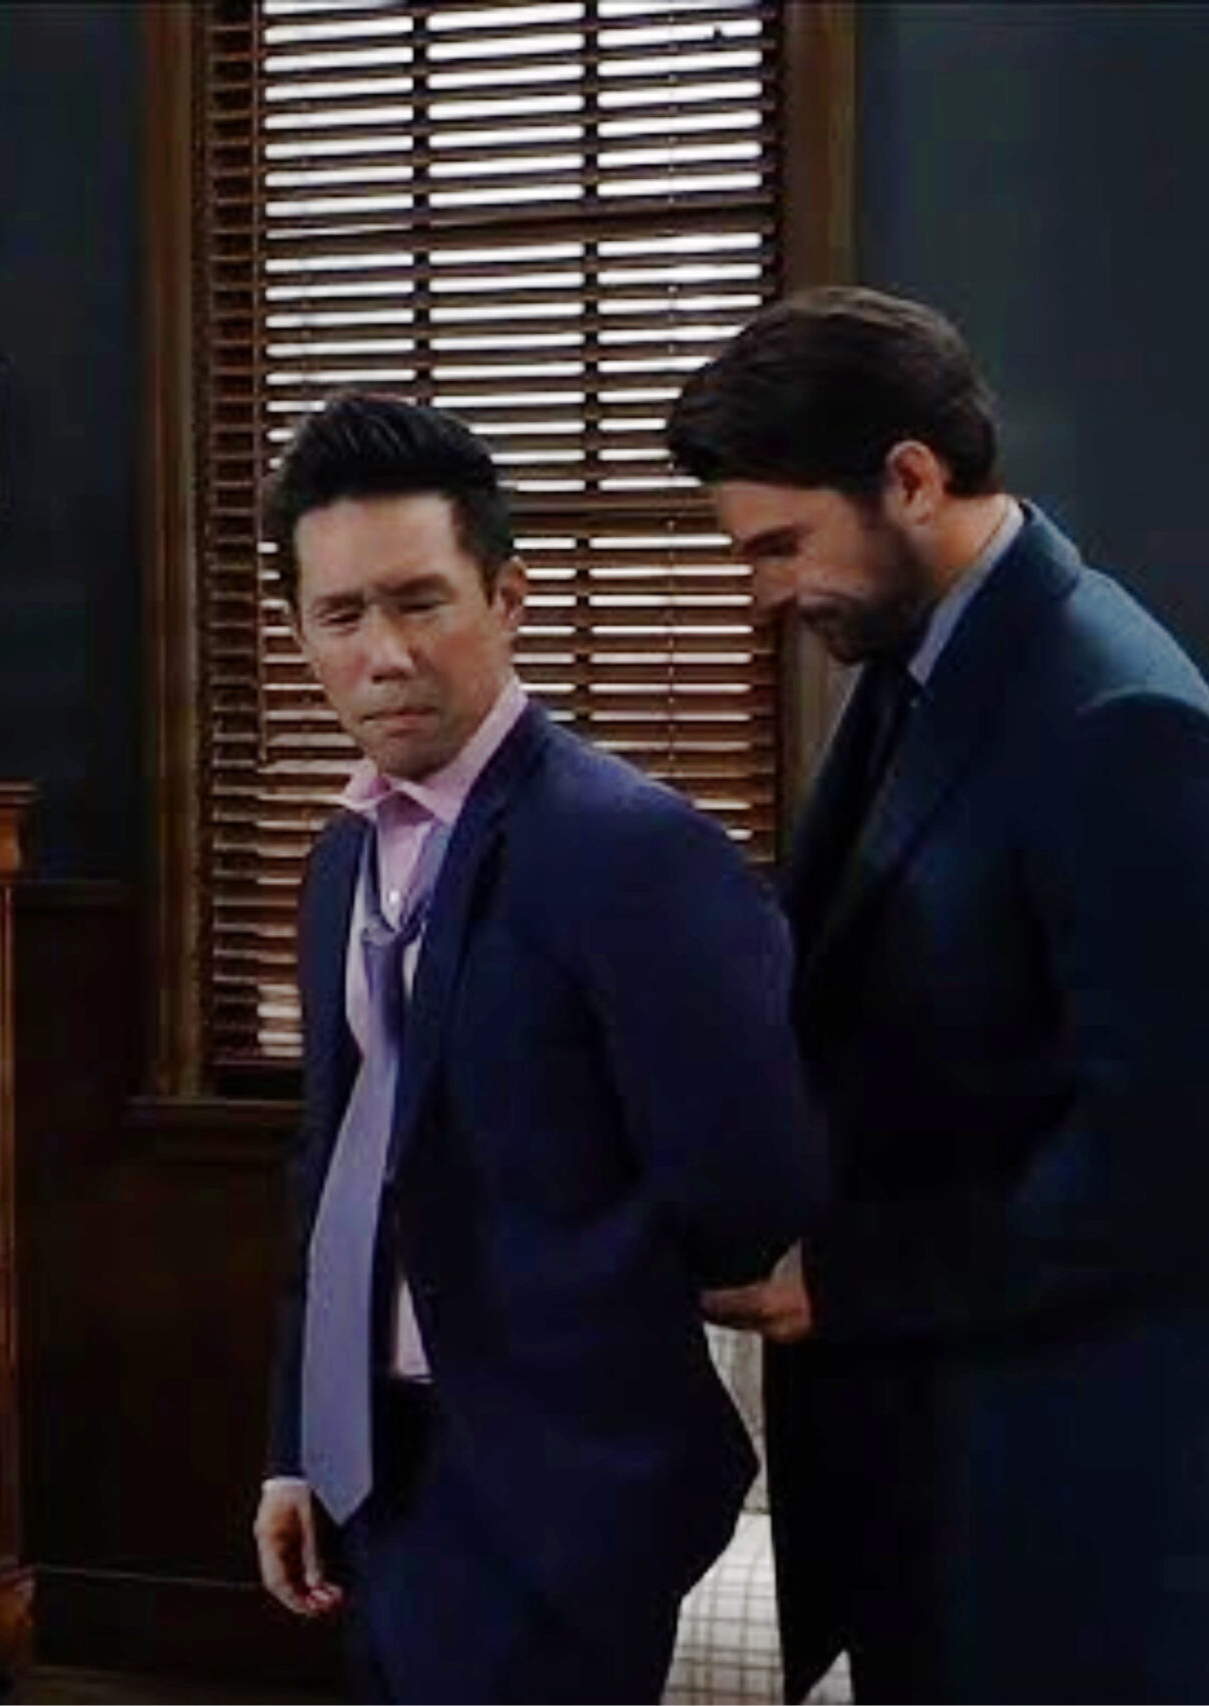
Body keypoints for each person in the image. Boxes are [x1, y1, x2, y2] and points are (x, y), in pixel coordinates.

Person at [251, 393, 824, 1702]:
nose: (384, 653)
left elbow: (747, 1184)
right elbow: (330, 1171)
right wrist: (296, 1442)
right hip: (372, 1468)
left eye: (421, 601)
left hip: (557, 1487)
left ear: (506, 598)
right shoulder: (341, 858)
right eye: (341, 615)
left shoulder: (633, 847)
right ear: (298, 633)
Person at [681, 285, 1209, 1702]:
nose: (766, 591)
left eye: (782, 544)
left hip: (1057, 1493)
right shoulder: (925, 657)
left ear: (910, 477)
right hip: (934, 1459)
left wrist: (850, 1277)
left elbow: (1164, 1163)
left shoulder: (1118, 718)